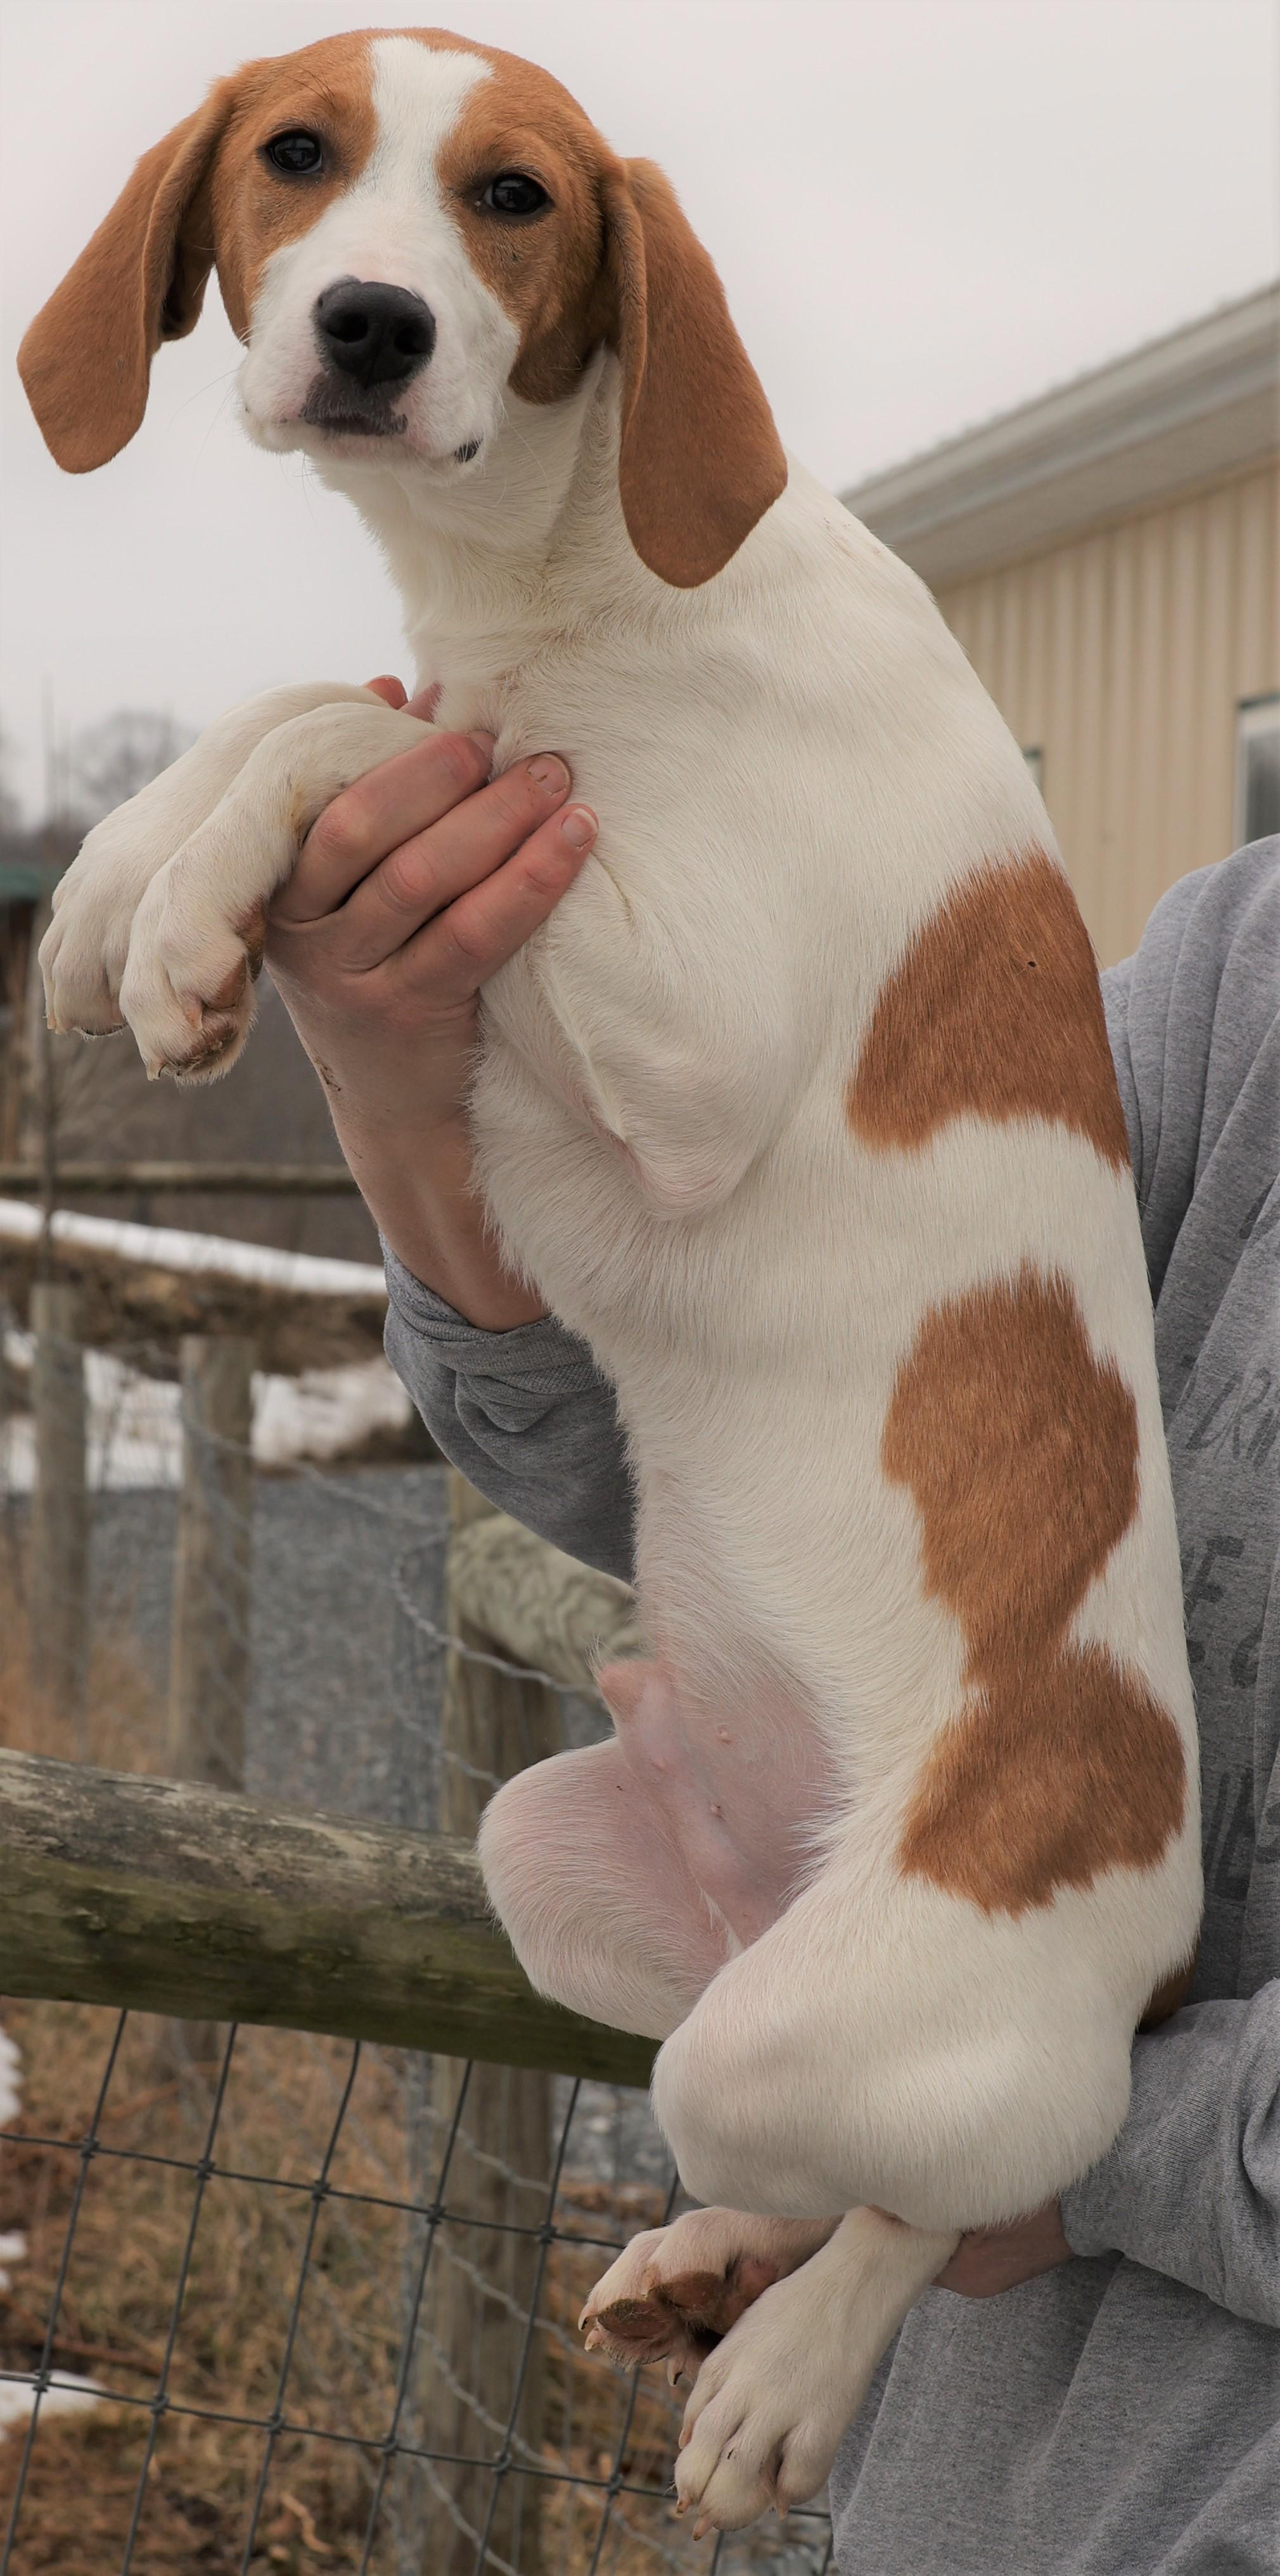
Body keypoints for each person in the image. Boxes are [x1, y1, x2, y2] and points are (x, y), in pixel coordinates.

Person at [266, 681, 1279, 2574]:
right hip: (959, 2506)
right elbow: (727, 1431)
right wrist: (403, 1096)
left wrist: (1035, 2150)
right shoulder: (1243, 979)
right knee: (550, 1863)